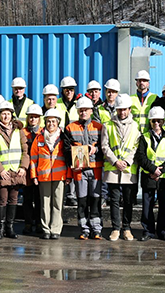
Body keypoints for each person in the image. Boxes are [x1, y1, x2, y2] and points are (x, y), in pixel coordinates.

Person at [0, 101, 28, 239]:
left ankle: (10, 227)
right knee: (2, 199)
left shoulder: (19, 131)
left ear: (12, 116)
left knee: (14, 199)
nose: (6, 116)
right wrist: (1, 170)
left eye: (8, 114)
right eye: (3, 114)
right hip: (0, 173)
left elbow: (25, 150)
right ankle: (1, 227)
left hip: (16, 171)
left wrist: (23, 167)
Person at [64, 97, 104, 240]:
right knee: (82, 200)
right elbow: (66, 148)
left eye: (86, 110)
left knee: (95, 199)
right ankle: (84, 229)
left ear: (91, 111)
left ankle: (96, 228)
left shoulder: (99, 127)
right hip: (79, 170)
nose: (83, 112)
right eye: (81, 110)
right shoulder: (70, 127)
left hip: (96, 169)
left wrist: (96, 149)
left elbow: (104, 146)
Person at [102, 96, 141, 240]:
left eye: (124, 109)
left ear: (129, 110)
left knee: (128, 200)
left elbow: (136, 146)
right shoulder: (108, 125)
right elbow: (104, 146)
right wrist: (115, 161)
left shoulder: (136, 126)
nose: (122, 112)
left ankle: (127, 228)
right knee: (114, 200)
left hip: (128, 169)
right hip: (113, 168)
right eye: (120, 109)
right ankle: (115, 228)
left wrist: (127, 161)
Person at [29, 108, 68, 240]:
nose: (51, 124)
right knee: (45, 204)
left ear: (58, 123)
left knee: (57, 203)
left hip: (60, 176)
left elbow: (69, 158)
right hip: (43, 176)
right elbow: (33, 158)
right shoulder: (39, 138)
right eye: (48, 121)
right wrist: (34, 175)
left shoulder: (63, 137)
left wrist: (68, 176)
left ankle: (56, 229)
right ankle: (46, 229)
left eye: (53, 121)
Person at [137, 108, 165, 241]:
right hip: (149, 175)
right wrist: (153, 170)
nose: (157, 123)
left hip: (164, 177)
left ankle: (163, 231)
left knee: (164, 205)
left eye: (159, 121)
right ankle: (148, 231)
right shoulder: (144, 137)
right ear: (150, 121)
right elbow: (141, 157)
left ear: (163, 121)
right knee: (147, 205)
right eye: (154, 121)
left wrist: (161, 170)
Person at [19, 104, 44, 234]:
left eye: (35, 117)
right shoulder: (23, 132)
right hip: (27, 170)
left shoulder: (43, 132)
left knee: (39, 198)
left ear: (39, 118)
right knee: (27, 198)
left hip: (40, 170)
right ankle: (28, 223)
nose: (33, 119)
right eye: (31, 117)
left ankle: (39, 223)